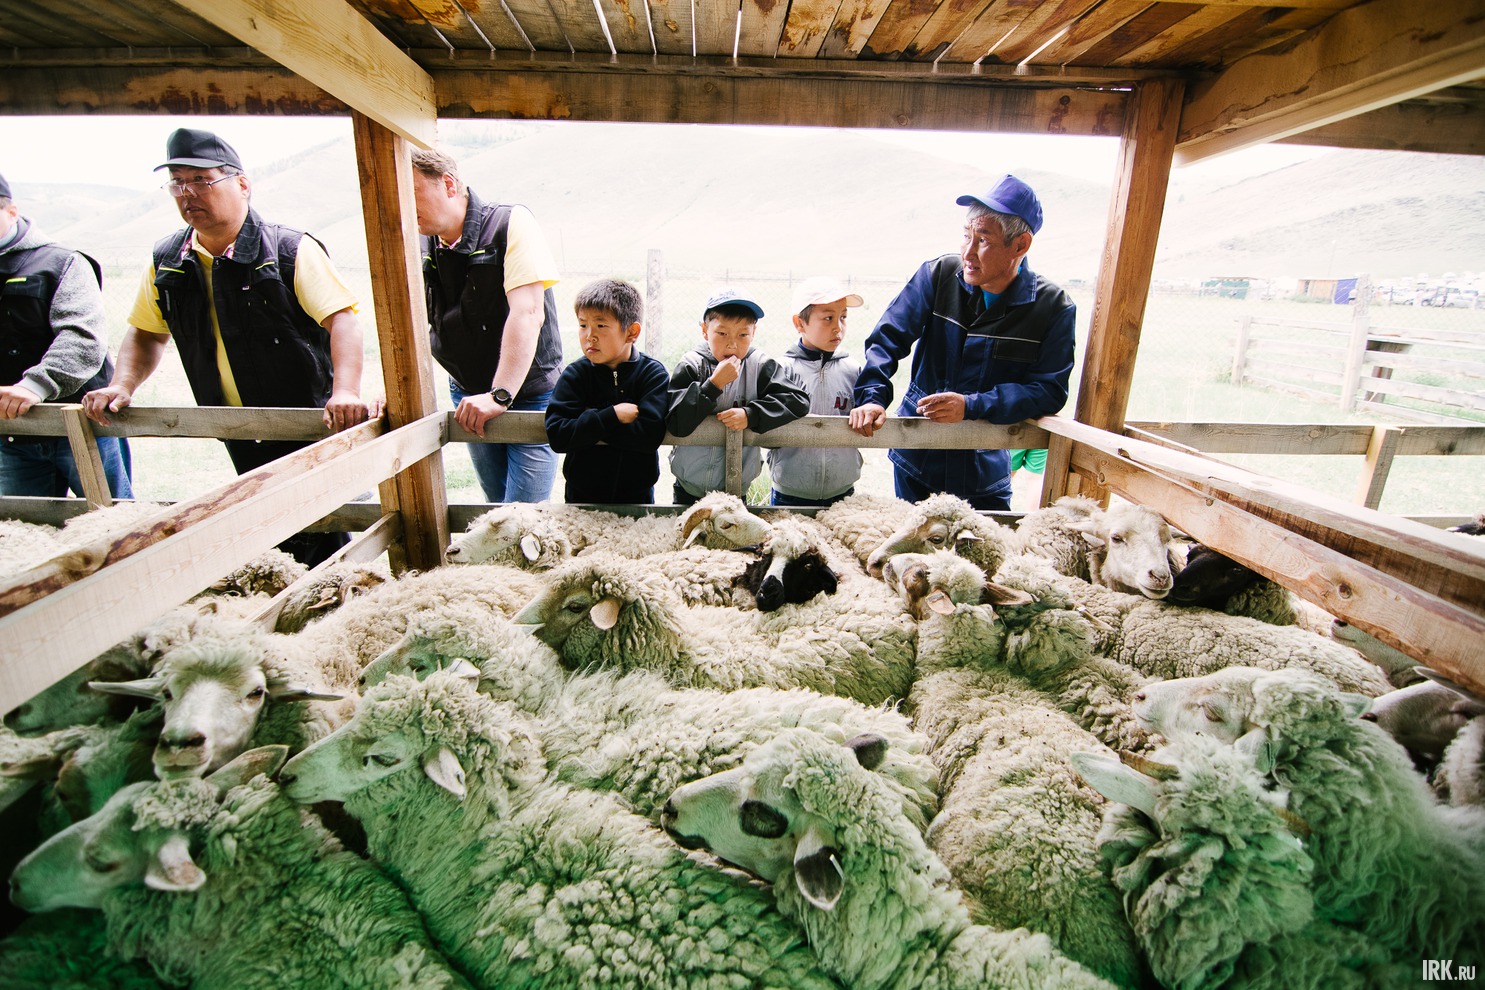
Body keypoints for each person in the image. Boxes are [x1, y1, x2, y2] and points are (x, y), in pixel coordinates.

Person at [82, 128, 376, 566]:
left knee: (335, 531)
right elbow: (146, 332)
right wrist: (123, 385)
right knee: (275, 535)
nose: (188, 194)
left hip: (309, 422)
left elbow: (343, 320)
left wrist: (346, 392)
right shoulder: (168, 259)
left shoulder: (289, 249)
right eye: (178, 183)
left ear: (242, 184)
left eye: (202, 180)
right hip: (238, 428)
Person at [849, 174, 1076, 511]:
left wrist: (972, 405)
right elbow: (887, 339)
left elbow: (1049, 390)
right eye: (966, 236)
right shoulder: (939, 275)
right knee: (913, 555)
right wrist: (872, 397)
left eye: (983, 240)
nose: (968, 252)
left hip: (984, 469)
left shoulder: (1053, 307)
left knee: (986, 558)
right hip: (917, 457)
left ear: (1020, 245)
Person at [410, 148, 562, 503]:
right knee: (496, 511)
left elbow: (527, 313)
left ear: (448, 184)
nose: (403, 206)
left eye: (410, 192)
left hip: (526, 394)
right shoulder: (418, 242)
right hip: (469, 394)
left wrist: (500, 395)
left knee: (522, 516)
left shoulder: (509, 224)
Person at [0, 171, 133, 499]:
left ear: (12, 211)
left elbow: (82, 336)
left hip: (84, 423)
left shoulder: (61, 263)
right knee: (26, 528)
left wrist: (35, 385)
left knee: (115, 523)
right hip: (12, 433)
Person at [667, 288, 809, 506]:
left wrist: (751, 414)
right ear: (705, 330)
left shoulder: (759, 365)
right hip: (689, 487)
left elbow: (797, 401)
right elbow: (676, 422)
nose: (732, 344)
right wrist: (713, 385)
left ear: (754, 333)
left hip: (737, 487)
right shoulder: (692, 365)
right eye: (722, 334)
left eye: (743, 335)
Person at [544, 278, 668, 504]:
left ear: (631, 332)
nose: (589, 335)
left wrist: (585, 425)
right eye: (583, 325)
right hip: (581, 498)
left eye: (601, 325)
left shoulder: (652, 375)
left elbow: (648, 436)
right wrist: (612, 416)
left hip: (637, 497)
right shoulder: (575, 375)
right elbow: (558, 435)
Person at [766, 276, 864, 508]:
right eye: (828, 318)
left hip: (842, 491)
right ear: (800, 323)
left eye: (843, 318)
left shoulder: (854, 371)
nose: (837, 328)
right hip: (790, 492)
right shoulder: (781, 370)